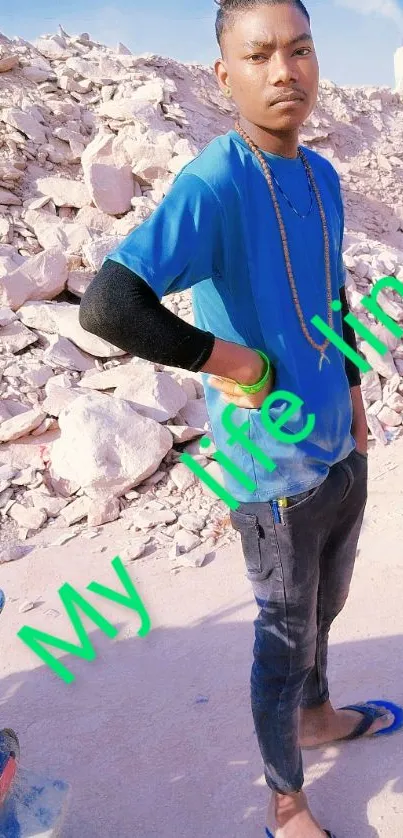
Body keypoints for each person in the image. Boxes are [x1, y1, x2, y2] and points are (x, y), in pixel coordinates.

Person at [78, 2, 403, 835]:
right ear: (224, 75)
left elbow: (329, 295)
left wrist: (357, 396)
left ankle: (319, 716)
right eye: (259, 55)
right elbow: (111, 304)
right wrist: (234, 363)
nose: (283, 71)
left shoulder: (321, 175)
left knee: (325, 608)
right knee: (280, 635)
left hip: (336, 446)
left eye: (299, 50)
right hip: (271, 474)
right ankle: (285, 800)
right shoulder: (214, 182)